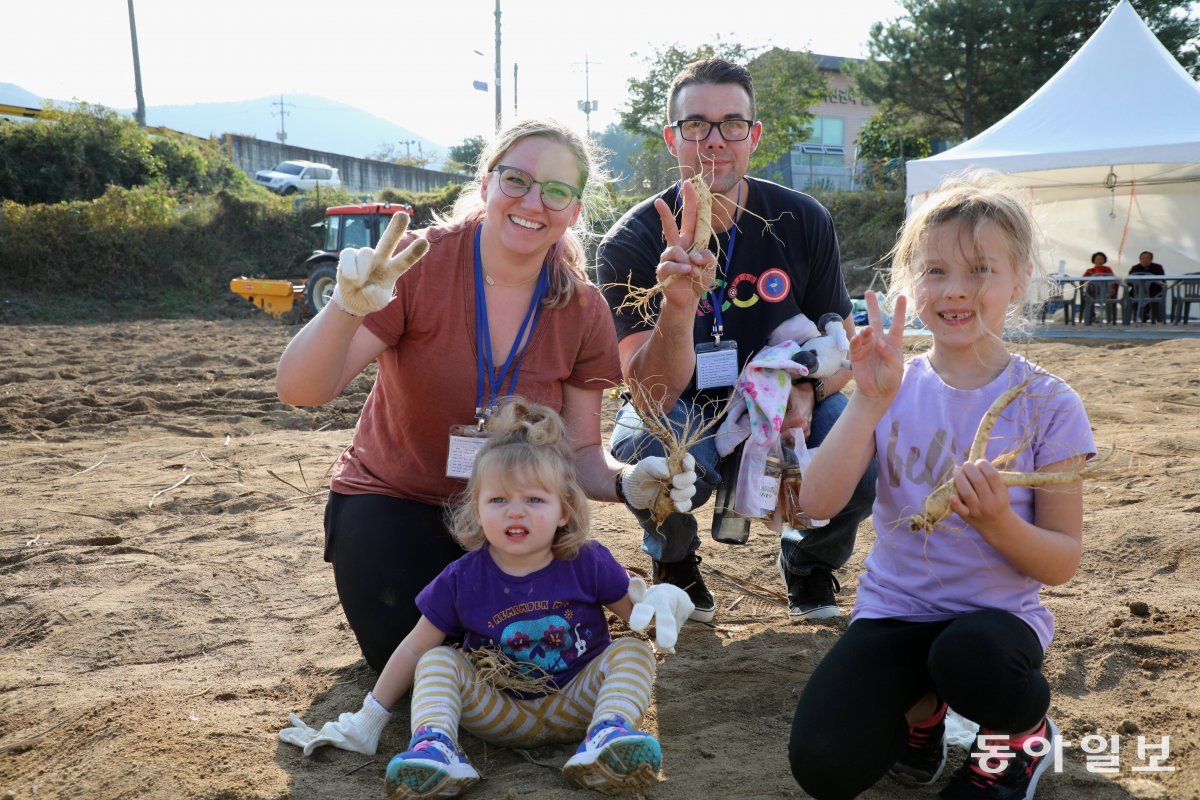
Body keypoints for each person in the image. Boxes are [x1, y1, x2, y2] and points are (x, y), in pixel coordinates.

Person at [275, 118, 696, 672]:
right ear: (485, 184)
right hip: (398, 499)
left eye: (557, 191)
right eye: (516, 179)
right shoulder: (417, 264)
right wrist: (344, 307)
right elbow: (301, 389)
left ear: (573, 210)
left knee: (536, 659)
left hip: (513, 513)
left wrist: (627, 483)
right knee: (420, 662)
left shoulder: (582, 307)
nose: (533, 201)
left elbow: (581, 457)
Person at [787, 174, 1095, 800]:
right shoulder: (890, 384)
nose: (956, 290)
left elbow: (1062, 561)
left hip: (995, 624)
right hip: (896, 613)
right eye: (934, 271)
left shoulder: (1049, 403)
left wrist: (998, 524)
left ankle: (1023, 736)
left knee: (970, 656)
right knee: (823, 764)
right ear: (909, 283)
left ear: (1018, 280)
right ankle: (924, 720)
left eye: (981, 269)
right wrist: (868, 403)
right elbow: (814, 505)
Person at [279, 400, 694, 798]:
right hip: (500, 712)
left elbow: (640, 618)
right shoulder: (463, 577)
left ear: (564, 510)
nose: (516, 512)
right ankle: (436, 748)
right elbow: (412, 649)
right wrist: (368, 718)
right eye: (498, 500)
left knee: (632, 651)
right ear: (476, 511)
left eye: (534, 499)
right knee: (438, 660)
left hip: (578, 703)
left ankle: (608, 737)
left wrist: (660, 603)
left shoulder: (587, 561)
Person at [596, 57, 875, 624]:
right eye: (696, 125)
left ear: (755, 135)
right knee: (657, 459)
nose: (713, 142)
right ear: (673, 138)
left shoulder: (802, 219)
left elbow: (842, 351)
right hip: (681, 403)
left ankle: (809, 563)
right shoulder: (632, 240)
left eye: (732, 124)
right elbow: (645, 390)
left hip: (785, 398)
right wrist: (677, 305)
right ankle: (674, 561)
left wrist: (811, 394)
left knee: (862, 453)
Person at [1127, 250, 1166, 323]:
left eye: (1148, 258)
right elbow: (1129, 281)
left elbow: (1163, 281)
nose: (1145, 260)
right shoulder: (1135, 268)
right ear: (1140, 259)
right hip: (1137, 290)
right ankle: (1140, 315)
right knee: (1132, 295)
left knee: (1154, 295)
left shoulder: (1158, 267)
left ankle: (1150, 316)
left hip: (1153, 290)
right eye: (1143, 258)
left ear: (1151, 259)